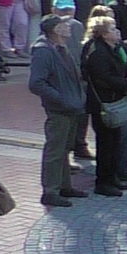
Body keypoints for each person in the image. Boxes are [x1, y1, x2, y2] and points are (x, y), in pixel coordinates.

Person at [27, 16, 89, 208]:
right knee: (55, 150)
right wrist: (62, 99)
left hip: (71, 108)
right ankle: (51, 191)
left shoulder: (61, 48)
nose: (68, 27)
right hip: (60, 109)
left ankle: (64, 186)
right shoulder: (44, 51)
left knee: (64, 149)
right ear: (55, 30)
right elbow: (36, 83)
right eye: (63, 25)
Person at [83, 15, 127, 197]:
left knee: (115, 142)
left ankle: (113, 176)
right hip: (103, 104)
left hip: (117, 100)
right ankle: (103, 182)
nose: (118, 32)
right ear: (104, 34)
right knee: (105, 144)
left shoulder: (115, 48)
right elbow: (104, 78)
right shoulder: (97, 52)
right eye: (113, 29)